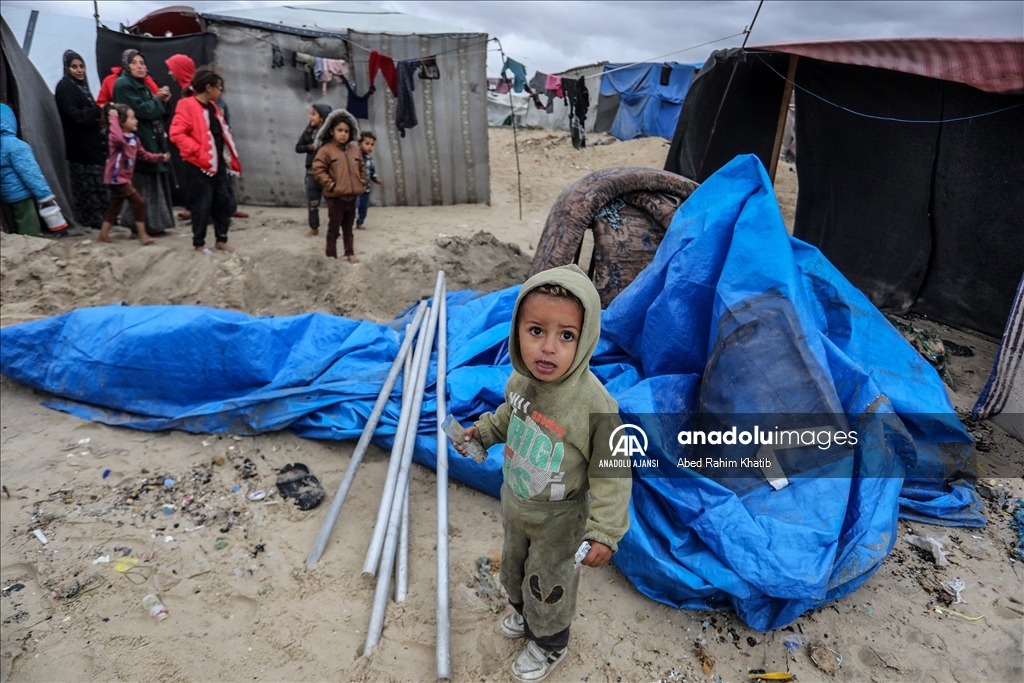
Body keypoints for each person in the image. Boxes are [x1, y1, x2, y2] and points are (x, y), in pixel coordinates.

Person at [451, 264, 631, 683]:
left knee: (548, 582)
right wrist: (485, 431)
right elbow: (508, 416)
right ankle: (522, 615)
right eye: (536, 331)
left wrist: (604, 531)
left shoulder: (595, 406)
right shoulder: (520, 380)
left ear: (584, 339)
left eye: (566, 335)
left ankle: (550, 641)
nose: (548, 348)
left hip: (561, 522)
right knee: (514, 570)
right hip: (516, 505)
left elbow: (614, 472)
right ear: (517, 331)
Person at [169, 66, 242, 253]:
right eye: (219, 87)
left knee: (223, 202)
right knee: (201, 205)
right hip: (198, 166)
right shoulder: (187, 105)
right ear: (208, 87)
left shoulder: (214, 108)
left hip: (217, 166)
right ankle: (199, 243)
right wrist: (198, 152)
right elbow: (176, 134)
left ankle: (221, 238)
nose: (220, 91)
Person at [112, 49, 174, 235]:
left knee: (150, 183)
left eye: (143, 63)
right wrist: (158, 100)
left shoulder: (142, 84)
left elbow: (155, 111)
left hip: (151, 138)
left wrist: (163, 102)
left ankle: (153, 224)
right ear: (126, 65)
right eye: (135, 63)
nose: (141, 66)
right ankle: (143, 225)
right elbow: (140, 111)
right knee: (143, 184)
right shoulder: (123, 85)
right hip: (139, 140)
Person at [98, 104, 170, 245]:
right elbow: (118, 138)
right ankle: (142, 234)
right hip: (117, 178)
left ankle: (103, 234)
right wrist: (113, 118)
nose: (136, 120)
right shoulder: (116, 138)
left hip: (125, 178)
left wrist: (160, 157)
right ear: (121, 122)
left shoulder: (134, 139)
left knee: (115, 206)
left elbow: (143, 155)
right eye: (132, 118)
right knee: (139, 203)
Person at [54, 49, 108, 230]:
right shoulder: (65, 87)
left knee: (98, 183)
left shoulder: (81, 88)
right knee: (87, 187)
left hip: (92, 145)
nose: (79, 70)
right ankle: (94, 220)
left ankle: (104, 218)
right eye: (74, 66)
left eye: (82, 66)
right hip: (80, 148)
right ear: (67, 68)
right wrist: (98, 110)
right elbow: (75, 116)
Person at [310, 109, 365, 262]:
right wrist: (331, 185)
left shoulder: (354, 150)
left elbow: (362, 168)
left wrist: (361, 182)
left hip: (352, 197)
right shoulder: (326, 150)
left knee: (348, 229)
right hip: (336, 198)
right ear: (332, 131)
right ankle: (331, 256)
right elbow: (318, 169)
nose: (343, 134)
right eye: (339, 130)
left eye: (346, 131)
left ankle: (349, 253)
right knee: (333, 230)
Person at [0, 104, 61, 237]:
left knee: (13, 230)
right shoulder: (17, 146)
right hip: (21, 196)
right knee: (29, 230)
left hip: (4, 196)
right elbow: (30, 173)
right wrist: (44, 194)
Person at [296, 103, 332, 236]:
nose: (310, 117)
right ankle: (314, 227)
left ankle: (334, 228)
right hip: (312, 173)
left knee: (332, 202)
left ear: (322, 118)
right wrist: (310, 147)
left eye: (313, 114)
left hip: (328, 173)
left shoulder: (331, 134)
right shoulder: (309, 132)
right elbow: (298, 147)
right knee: (313, 202)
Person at [355, 131, 382, 230]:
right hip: (356, 188)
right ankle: (348, 223)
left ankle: (360, 222)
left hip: (366, 189)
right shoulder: (355, 157)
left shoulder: (370, 159)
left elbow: (372, 172)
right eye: (367, 144)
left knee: (363, 207)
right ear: (359, 144)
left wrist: (375, 179)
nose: (370, 147)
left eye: (372, 145)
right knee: (355, 206)